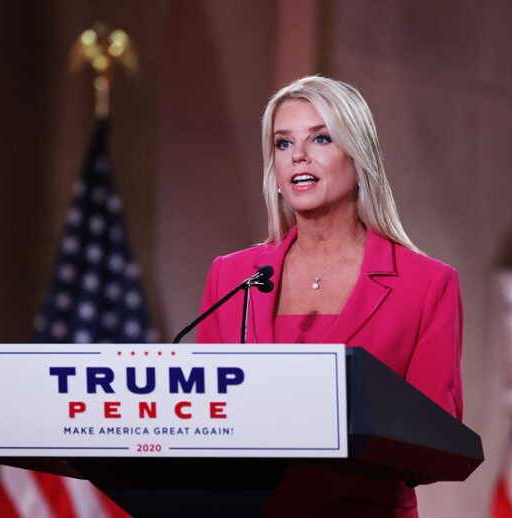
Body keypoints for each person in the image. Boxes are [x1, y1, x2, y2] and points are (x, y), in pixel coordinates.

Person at [197, 76, 463, 518]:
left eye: (320, 138)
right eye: (283, 144)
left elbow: (433, 439)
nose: (298, 155)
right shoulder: (232, 277)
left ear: (359, 158)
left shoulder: (427, 285)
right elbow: (207, 413)